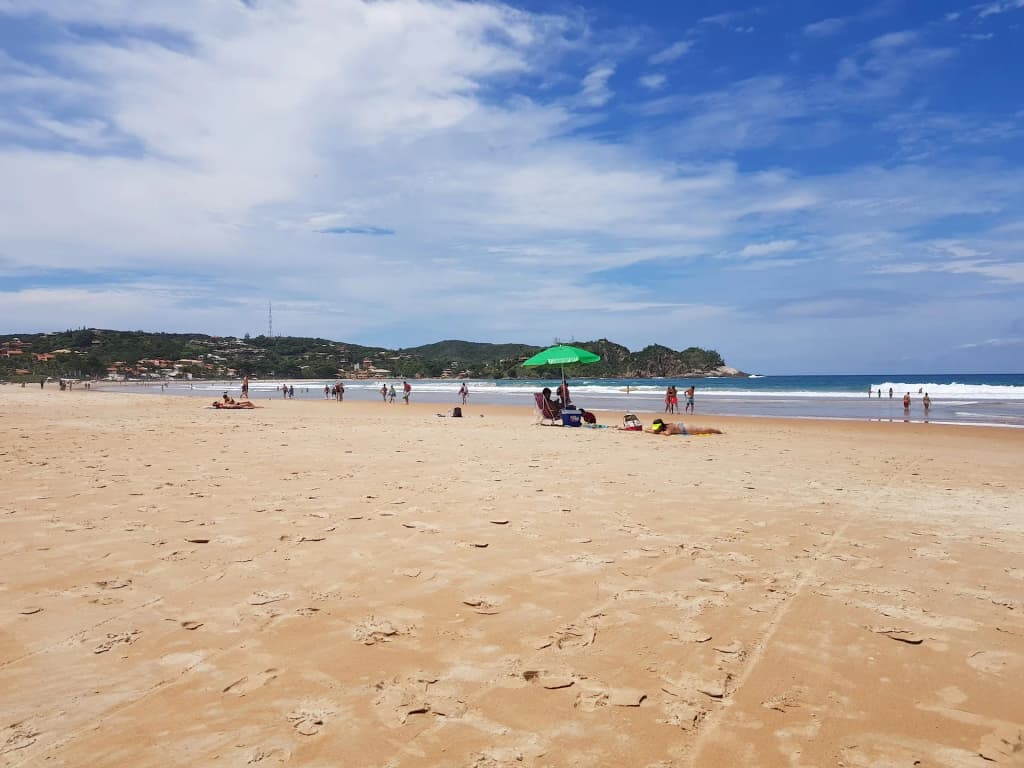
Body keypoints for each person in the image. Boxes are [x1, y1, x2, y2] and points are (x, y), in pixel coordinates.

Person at [645, 417, 722, 436]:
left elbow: (667, 434)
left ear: (660, 426)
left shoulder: (668, 428)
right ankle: (716, 430)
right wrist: (649, 429)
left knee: (701, 429)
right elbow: (650, 429)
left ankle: (717, 431)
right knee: (701, 429)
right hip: (682, 426)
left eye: (657, 428)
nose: (656, 429)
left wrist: (654, 432)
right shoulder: (665, 426)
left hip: (686, 429)